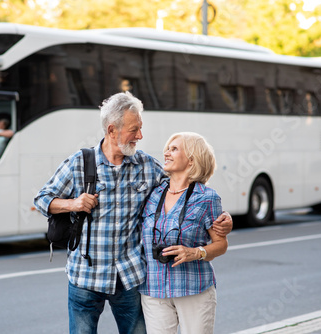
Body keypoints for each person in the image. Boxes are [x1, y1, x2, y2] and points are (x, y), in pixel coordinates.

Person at [33, 92, 232, 334]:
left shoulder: (147, 166)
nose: (140, 136)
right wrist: (72, 204)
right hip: (85, 277)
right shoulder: (79, 163)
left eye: (140, 128)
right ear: (112, 129)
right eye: (133, 129)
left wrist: (222, 219)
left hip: (129, 277)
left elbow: (186, 187)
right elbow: (42, 199)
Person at [139, 132, 228, 334]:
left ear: (191, 159)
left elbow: (221, 244)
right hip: (153, 289)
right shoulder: (153, 193)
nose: (166, 153)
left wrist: (196, 252)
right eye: (167, 148)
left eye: (174, 148)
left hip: (193, 289)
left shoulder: (207, 198)